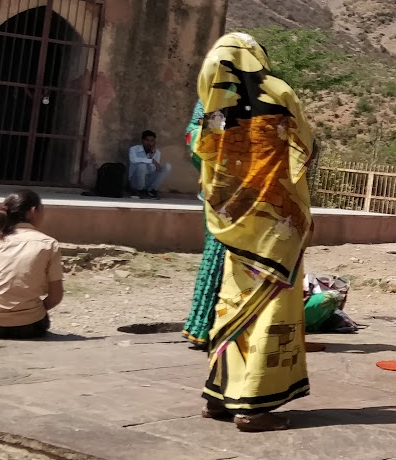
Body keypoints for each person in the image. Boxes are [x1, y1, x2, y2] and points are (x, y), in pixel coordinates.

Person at [193, 33, 315, 432]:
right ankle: (253, 406)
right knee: (270, 312)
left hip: (234, 224)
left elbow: (203, 152)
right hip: (276, 228)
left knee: (233, 305)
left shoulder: (215, 109)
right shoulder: (279, 92)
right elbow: (306, 145)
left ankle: (219, 396)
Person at [0, 190, 64, 340]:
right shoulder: (49, 244)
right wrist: (28, 311)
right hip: (29, 326)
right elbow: (56, 297)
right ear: (33, 211)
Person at [181, 100, 223, 350]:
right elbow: (196, 136)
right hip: (223, 193)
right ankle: (206, 324)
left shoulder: (260, 90)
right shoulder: (214, 96)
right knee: (218, 254)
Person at [128, 130, 171, 199]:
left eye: (152, 141)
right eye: (147, 140)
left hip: (148, 181)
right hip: (135, 181)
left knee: (167, 166)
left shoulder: (156, 153)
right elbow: (133, 160)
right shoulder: (134, 149)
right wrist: (151, 160)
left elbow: (152, 170)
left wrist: (151, 157)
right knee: (141, 166)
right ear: (142, 140)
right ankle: (139, 191)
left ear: (154, 142)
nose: (149, 143)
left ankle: (152, 190)